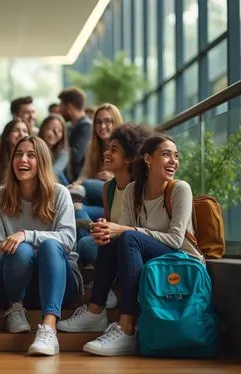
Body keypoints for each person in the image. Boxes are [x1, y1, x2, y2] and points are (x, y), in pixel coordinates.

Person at [76, 134, 202, 356]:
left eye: (176, 156)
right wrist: (106, 229)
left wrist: (126, 230)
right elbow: (122, 235)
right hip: (150, 255)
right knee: (112, 236)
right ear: (148, 159)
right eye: (166, 155)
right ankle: (95, 312)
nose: (173, 161)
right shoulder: (134, 190)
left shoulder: (180, 189)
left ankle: (127, 329)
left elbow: (175, 240)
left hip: (180, 259)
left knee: (127, 236)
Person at [0, 136, 80, 356]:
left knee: (49, 246)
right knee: (23, 250)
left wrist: (25, 235)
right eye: (18, 154)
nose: (23, 159)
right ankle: (15, 308)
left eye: (31, 155)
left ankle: (49, 328)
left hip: (59, 284)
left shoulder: (60, 193)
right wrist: (20, 247)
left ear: (43, 162)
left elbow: (68, 239)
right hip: (15, 285)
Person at [57, 124, 152, 330]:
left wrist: (114, 230)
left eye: (114, 150)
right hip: (115, 249)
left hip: (137, 252)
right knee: (85, 242)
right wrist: (102, 227)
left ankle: (109, 309)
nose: (106, 153)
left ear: (129, 158)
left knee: (96, 240)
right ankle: (97, 307)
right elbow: (110, 221)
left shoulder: (143, 188)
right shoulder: (108, 188)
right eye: (108, 148)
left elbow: (144, 231)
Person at [68, 103, 123, 221]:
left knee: (87, 185)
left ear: (116, 122)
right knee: (75, 206)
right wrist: (76, 184)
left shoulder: (125, 147)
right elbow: (85, 173)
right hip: (100, 203)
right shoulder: (92, 147)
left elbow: (132, 180)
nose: (102, 126)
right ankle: (87, 238)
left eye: (108, 121)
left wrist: (113, 177)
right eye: (98, 122)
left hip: (119, 199)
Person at [58, 87, 91, 182]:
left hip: (80, 180)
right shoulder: (72, 127)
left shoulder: (86, 126)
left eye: (61, 106)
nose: (59, 110)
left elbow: (76, 156)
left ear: (69, 107)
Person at [38, 114, 69, 182]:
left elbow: (55, 171)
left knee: (58, 174)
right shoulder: (34, 148)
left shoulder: (64, 153)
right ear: (43, 129)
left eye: (60, 130)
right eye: (51, 129)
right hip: (41, 182)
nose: (56, 133)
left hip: (60, 185)